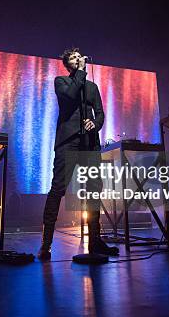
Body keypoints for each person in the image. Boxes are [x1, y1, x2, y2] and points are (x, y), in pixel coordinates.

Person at [38, 48, 119, 260]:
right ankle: (46, 244)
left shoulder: (92, 87)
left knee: (93, 190)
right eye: (73, 58)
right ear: (68, 65)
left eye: (78, 57)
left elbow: (100, 112)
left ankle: (95, 242)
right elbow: (71, 96)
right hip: (68, 142)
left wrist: (96, 123)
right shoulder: (61, 82)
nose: (78, 59)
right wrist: (81, 72)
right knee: (58, 189)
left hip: (89, 143)